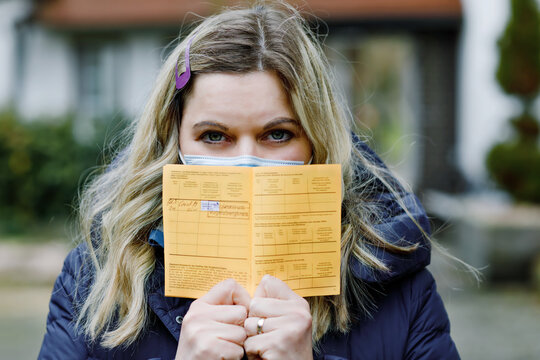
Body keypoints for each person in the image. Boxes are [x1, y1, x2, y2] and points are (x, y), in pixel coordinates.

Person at [39, 2, 460, 359]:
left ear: (318, 141)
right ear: (174, 142)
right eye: (214, 136)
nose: (246, 162)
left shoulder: (396, 280)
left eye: (277, 134)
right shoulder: (95, 280)